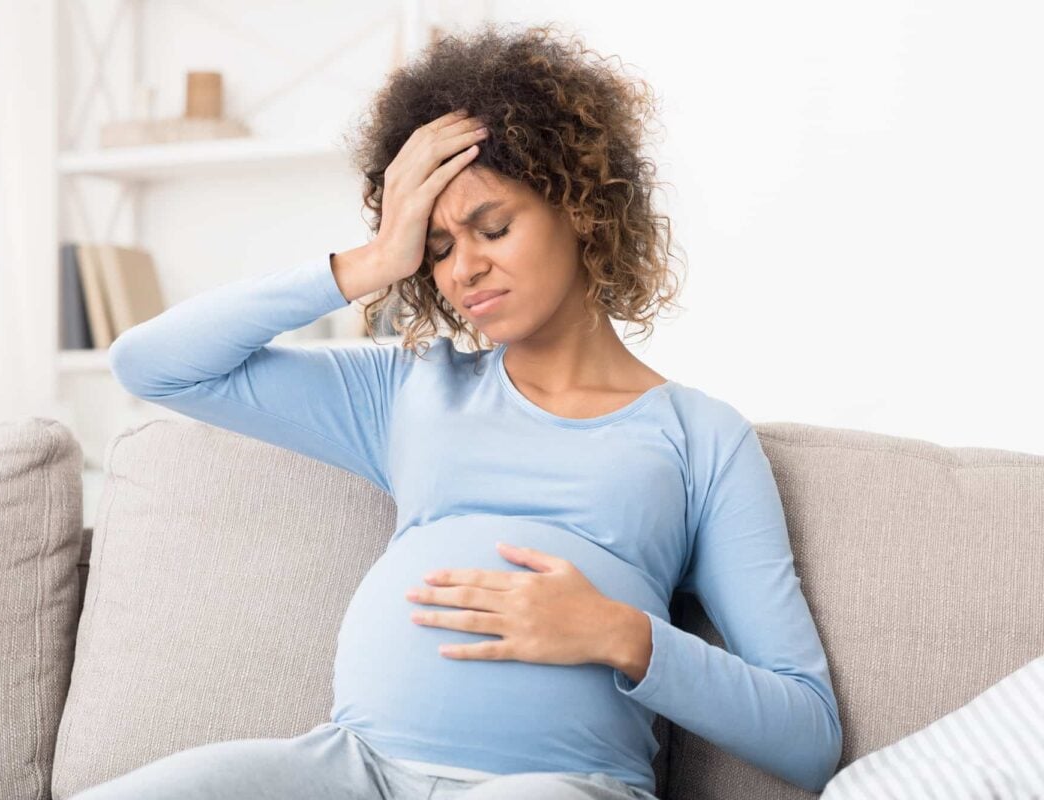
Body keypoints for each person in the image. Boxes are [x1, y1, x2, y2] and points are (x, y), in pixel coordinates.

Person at [75, 21, 842, 800]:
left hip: (556, 785)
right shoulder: (410, 390)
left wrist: (621, 635)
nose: (464, 267)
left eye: (493, 227)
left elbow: (807, 735)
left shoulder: (701, 438)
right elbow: (154, 366)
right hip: (353, 771)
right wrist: (371, 263)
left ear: (582, 209)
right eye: (438, 246)